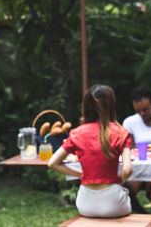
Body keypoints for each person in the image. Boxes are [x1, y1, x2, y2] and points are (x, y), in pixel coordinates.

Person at [48, 85, 133, 218]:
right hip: (114, 204)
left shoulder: (77, 133)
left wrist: (81, 175)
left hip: (85, 204)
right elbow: (127, 170)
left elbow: (53, 163)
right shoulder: (121, 132)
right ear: (111, 105)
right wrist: (116, 181)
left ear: (85, 107)